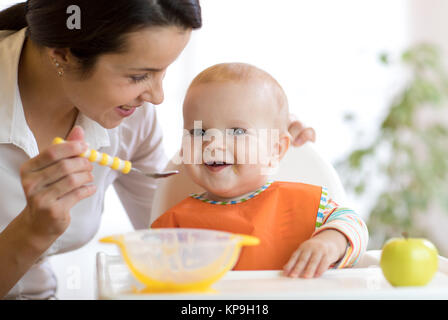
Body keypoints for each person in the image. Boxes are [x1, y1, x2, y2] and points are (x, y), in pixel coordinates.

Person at [0, 1, 313, 299]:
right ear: (63, 54)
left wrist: (257, 142)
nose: (158, 97)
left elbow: (174, 244)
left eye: (164, 71)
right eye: (139, 76)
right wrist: (31, 232)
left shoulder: (131, 118)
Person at [151, 62, 369, 278]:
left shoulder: (307, 205)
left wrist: (329, 244)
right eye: (198, 132)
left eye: (237, 131)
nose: (213, 144)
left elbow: (355, 226)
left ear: (275, 149)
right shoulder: (173, 225)